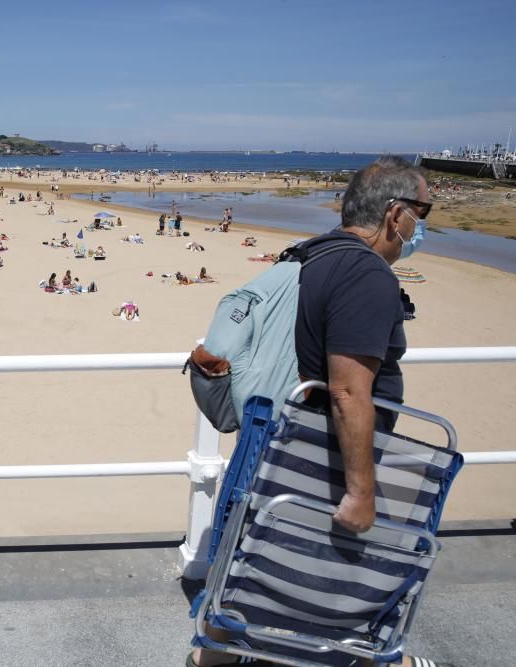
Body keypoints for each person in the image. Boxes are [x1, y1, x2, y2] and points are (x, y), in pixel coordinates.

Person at [190, 156, 445, 667]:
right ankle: (381, 657)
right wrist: (362, 490)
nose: (424, 224)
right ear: (396, 215)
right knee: (359, 567)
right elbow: (350, 391)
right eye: (424, 210)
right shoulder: (366, 274)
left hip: (281, 437)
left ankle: (213, 657)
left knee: (251, 557)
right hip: (324, 451)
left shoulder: (315, 253)